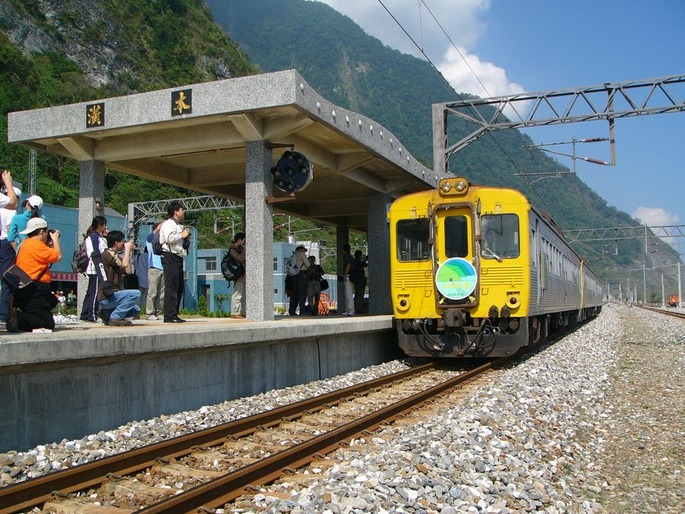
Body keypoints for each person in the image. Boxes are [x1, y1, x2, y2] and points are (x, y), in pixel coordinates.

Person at [7, 217, 60, 332]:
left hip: (25, 286)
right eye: (46, 231)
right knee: (47, 324)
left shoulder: (25, 244)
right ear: (41, 231)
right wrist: (55, 240)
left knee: (52, 301)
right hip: (35, 289)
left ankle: (27, 316)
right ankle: (18, 318)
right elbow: (57, 256)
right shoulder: (37, 246)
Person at [96, 230, 141, 326]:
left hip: (115, 295)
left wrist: (128, 253)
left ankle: (106, 314)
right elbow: (124, 264)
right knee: (136, 294)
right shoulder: (107, 254)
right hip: (106, 296)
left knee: (136, 310)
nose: (124, 243)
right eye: (122, 241)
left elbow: (128, 271)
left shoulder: (117, 256)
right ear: (116, 242)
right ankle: (115, 317)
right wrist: (127, 249)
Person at [159, 201, 190, 323]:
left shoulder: (179, 225)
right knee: (171, 285)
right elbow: (168, 239)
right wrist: (182, 236)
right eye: (182, 209)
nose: (183, 212)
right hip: (169, 256)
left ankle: (174, 313)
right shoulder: (168, 224)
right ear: (175, 211)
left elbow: (179, 240)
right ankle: (169, 315)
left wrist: (186, 238)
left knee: (178, 286)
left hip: (178, 256)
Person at [80, 216, 108, 323]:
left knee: (90, 292)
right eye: (104, 225)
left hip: (93, 267)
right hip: (95, 267)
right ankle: (92, 314)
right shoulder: (94, 237)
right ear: (100, 225)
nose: (105, 227)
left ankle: (85, 314)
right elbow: (96, 252)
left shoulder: (94, 236)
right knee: (94, 292)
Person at [0, 186, 21, 324]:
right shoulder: (11, 211)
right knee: (8, 280)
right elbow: (10, 232)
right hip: (7, 246)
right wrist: (18, 251)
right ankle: (3, 313)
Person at [145, 222, 165, 320]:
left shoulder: (162, 241)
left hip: (163, 268)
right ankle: (149, 313)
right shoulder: (150, 241)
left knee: (162, 294)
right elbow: (150, 236)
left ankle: (159, 312)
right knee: (152, 292)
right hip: (154, 268)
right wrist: (158, 228)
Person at [288, 244, 311, 316]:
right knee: (302, 293)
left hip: (293, 275)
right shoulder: (302, 254)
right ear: (301, 249)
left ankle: (292, 311)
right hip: (301, 274)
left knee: (294, 294)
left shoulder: (292, 255)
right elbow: (308, 265)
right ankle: (302, 311)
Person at [229, 232, 246, 319]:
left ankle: (243, 312)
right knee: (237, 294)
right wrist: (245, 250)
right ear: (239, 240)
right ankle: (234, 312)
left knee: (244, 295)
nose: (244, 243)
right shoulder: (232, 250)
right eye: (244, 240)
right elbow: (240, 259)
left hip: (243, 275)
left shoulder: (240, 249)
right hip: (238, 275)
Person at [338, 243, 355, 316]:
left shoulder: (347, 257)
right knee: (347, 293)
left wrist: (345, 274)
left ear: (343, 250)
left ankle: (351, 310)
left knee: (349, 293)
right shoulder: (348, 256)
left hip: (348, 276)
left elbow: (348, 265)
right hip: (348, 276)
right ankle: (348, 310)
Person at [351, 250, 368, 315]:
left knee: (357, 295)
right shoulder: (358, 263)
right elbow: (362, 266)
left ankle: (356, 308)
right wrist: (365, 259)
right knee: (360, 295)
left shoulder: (354, 262)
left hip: (356, 281)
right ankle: (359, 309)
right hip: (360, 280)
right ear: (360, 256)